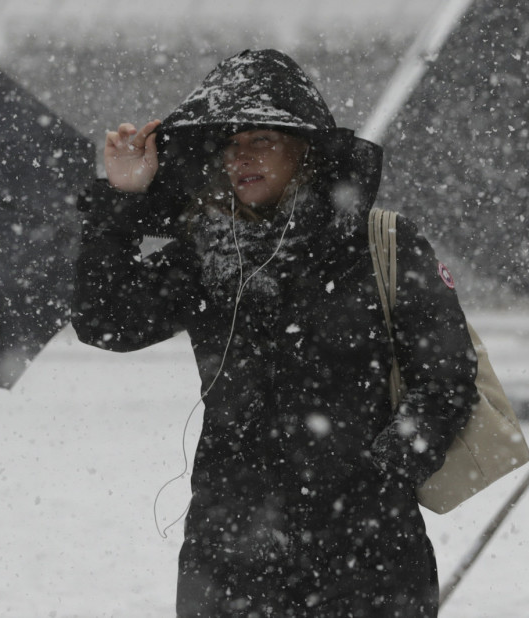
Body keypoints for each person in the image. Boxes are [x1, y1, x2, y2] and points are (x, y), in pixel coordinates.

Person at [72, 49, 478, 617]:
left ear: (305, 149)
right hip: (230, 550)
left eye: (262, 138)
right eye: (231, 143)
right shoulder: (209, 254)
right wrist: (123, 200)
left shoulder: (381, 245)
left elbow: (446, 384)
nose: (243, 156)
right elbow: (105, 322)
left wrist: (379, 474)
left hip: (365, 554)